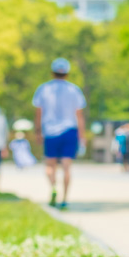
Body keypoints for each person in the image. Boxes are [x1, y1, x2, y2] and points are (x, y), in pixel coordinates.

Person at [32, 57, 86, 209]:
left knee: (50, 165)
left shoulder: (43, 89)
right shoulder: (74, 90)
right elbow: (79, 116)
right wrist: (82, 136)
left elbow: (38, 113)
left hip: (50, 131)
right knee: (67, 166)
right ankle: (65, 198)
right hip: (70, 130)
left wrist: (38, 131)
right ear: (67, 74)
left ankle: (53, 187)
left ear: (52, 73)